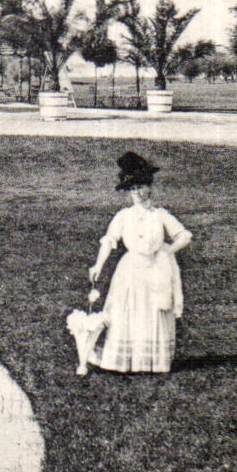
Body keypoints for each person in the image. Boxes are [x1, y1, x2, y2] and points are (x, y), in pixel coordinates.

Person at [86, 152, 193, 373]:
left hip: (156, 269)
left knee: (153, 308)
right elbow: (109, 240)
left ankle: (151, 360)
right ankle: (126, 358)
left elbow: (184, 236)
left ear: (150, 188)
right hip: (131, 269)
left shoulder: (160, 215)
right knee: (128, 309)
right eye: (132, 189)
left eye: (140, 187)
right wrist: (98, 265)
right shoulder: (124, 216)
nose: (137, 193)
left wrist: (166, 252)